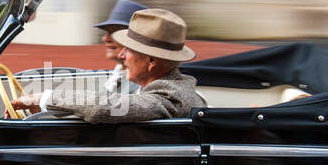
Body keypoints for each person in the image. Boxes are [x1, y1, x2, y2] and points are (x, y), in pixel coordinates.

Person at [11, 8, 201, 123]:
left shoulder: (170, 97)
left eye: (129, 49)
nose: (121, 54)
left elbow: (106, 107)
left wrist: (44, 98)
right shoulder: (170, 87)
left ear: (152, 61)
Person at [93, 0, 148, 94]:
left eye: (115, 32)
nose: (105, 38)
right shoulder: (119, 73)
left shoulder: (143, 81)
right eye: (107, 32)